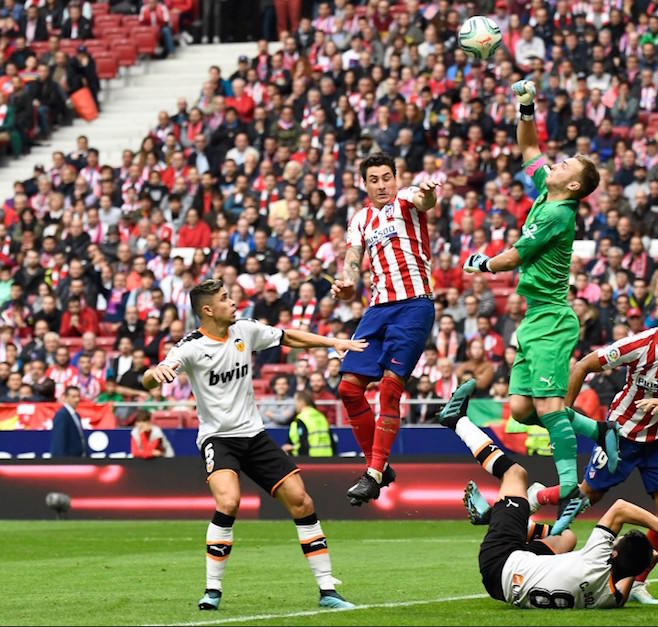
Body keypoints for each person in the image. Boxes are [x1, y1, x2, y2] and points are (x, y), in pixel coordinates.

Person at [142, 278, 366, 611]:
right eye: (224, 298)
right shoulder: (190, 346)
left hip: (254, 436)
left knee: (302, 501)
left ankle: (327, 590)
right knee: (229, 501)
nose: (233, 302)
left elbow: (288, 336)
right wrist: (155, 372)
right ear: (207, 310)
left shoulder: (244, 330)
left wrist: (333, 341)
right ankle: (212, 590)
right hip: (219, 439)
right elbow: (152, 377)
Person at [462, 79, 619, 529]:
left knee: (549, 407)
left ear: (572, 183)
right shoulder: (546, 192)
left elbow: (514, 256)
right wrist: (526, 106)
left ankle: (568, 485)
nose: (556, 161)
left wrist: (482, 264)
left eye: (565, 162)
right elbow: (529, 147)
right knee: (523, 410)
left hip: (552, 318)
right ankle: (599, 431)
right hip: (534, 320)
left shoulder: (555, 213)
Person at [526, 284, 658, 604]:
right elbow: (583, 365)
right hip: (622, 435)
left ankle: (638, 581)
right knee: (589, 494)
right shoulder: (638, 344)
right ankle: (548, 539)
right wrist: (564, 419)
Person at [436, 378, 658, 608]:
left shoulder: (597, 557)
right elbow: (629, 569)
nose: (616, 539)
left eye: (618, 540)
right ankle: (496, 518)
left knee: (515, 475)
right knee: (566, 537)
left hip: (500, 560)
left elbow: (621, 508)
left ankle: (456, 419)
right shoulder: (612, 597)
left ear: (613, 553)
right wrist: (645, 557)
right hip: (504, 589)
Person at [330, 153, 439, 506]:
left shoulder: (407, 200)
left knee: (390, 389)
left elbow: (426, 199)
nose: (382, 184)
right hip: (377, 310)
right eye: (374, 179)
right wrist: (346, 283)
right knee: (348, 388)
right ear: (365, 184)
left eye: (386, 177)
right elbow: (351, 261)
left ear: (396, 178)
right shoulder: (360, 219)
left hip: (413, 305)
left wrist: (428, 192)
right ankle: (381, 465)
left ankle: (373, 473)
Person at [283, 391, 333, 457]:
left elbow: (304, 443)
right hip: (328, 458)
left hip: (310, 460)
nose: (295, 405)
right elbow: (331, 440)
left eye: (295, 401)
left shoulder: (302, 418)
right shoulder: (321, 416)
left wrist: (292, 448)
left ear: (301, 402)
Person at [50, 385, 86, 457]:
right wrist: (62, 463)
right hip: (68, 460)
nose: (77, 399)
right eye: (73, 397)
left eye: (78, 396)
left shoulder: (76, 415)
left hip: (78, 458)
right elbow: (59, 440)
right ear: (66, 398)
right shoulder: (62, 415)